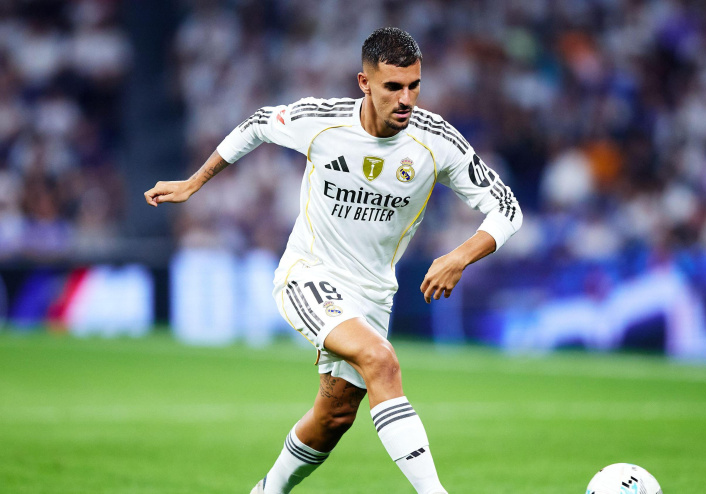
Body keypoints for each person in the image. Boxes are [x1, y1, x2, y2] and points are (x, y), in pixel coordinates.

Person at [144, 27, 522, 494]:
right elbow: (259, 123)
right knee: (381, 360)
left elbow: (507, 209)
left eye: (414, 86)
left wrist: (461, 256)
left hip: (374, 294)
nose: (406, 99)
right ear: (364, 83)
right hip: (309, 274)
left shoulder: (436, 141)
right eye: (393, 87)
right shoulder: (321, 121)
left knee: (336, 415)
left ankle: (266, 490)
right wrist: (193, 182)